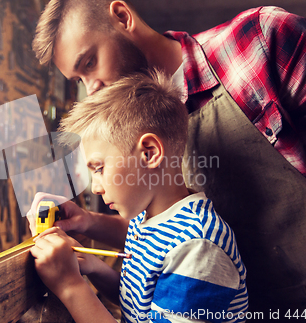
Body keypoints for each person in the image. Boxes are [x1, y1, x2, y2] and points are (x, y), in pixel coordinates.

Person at [29, 0, 306, 313]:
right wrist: (87, 222)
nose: (90, 89)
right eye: (79, 80)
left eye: (90, 63)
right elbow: (168, 236)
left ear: (122, 18)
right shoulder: (140, 128)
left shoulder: (259, 41)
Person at [31, 70, 248, 323]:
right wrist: (90, 267)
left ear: (150, 153)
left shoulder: (197, 248)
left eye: (99, 168)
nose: (95, 188)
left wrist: (70, 286)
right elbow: (138, 306)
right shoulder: (146, 219)